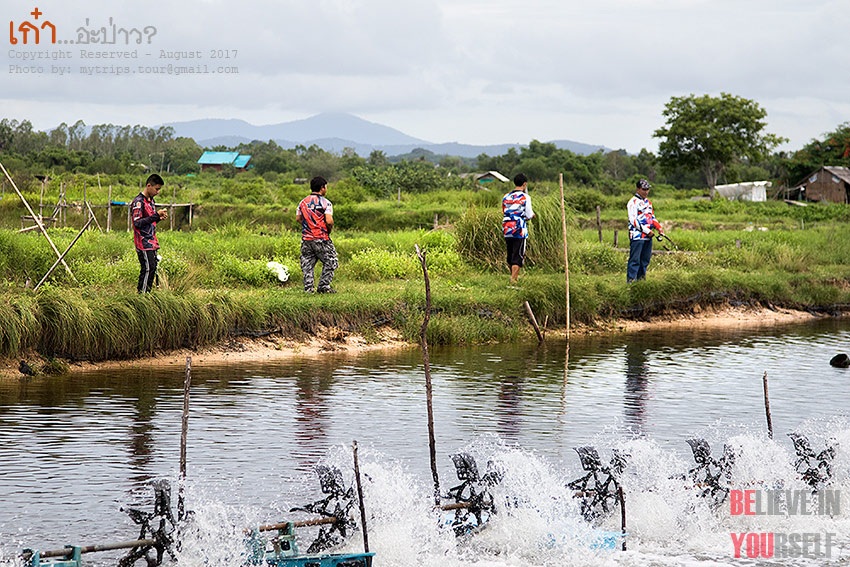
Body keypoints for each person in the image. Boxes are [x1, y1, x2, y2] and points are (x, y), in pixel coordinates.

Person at [296, 176, 338, 293]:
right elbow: (329, 221)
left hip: (306, 238)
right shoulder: (326, 203)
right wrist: (328, 229)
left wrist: (308, 226)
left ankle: (308, 289)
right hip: (321, 237)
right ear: (322, 188)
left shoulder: (302, 202)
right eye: (326, 187)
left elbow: (298, 218)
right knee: (331, 261)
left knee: (307, 263)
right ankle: (323, 287)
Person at [131, 173, 167, 293]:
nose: (158, 192)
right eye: (156, 189)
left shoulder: (151, 201)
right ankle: (142, 296)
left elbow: (149, 221)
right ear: (148, 186)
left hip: (151, 241)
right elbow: (137, 223)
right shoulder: (138, 202)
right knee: (147, 269)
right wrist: (156, 215)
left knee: (152, 268)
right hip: (143, 242)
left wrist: (158, 218)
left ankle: (147, 294)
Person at [627, 178, 663, 283]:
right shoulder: (633, 202)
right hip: (637, 236)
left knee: (645, 260)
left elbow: (652, 217)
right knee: (635, 260)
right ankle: (631, 282)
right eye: (644, 189)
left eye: (647, 189)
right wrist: (647, 231)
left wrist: (659, 228)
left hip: (648, 237)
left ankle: (641, 282)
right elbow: (633, 220)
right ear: (638, 189)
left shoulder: (648, 202)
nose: (646, 192)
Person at [502, 173, 535, 284]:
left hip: (507, 227)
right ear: (524, 184)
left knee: (510, 253)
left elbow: (505, 211)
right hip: (519, 228)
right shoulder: (525, 197)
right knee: (518, 254)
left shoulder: (506, 196)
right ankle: (514, 280)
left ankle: (512, 277)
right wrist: (531, 216)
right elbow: (529, 214)